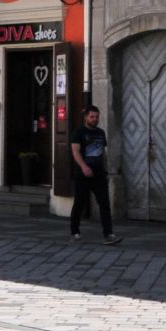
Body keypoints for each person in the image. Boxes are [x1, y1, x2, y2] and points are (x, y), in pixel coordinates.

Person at [68, 103, 119, 245]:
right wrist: (84, 167)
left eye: (96, 117)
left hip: (98, 174)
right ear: (86, 117)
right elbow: (75, 152)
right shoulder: (78, 133)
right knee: (79, 203)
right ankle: (75, 232)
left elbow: (103, 152)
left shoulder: (100, 133)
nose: (94, 119)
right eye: (92, 117)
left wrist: (107, 169)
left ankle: (109, 234)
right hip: (83, 174)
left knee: (104, 203)